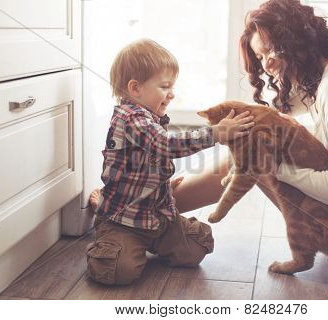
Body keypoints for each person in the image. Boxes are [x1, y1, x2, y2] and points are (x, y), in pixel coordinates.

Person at [174, 0, 328, 273]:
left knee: (253, 155)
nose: (266, 64)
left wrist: (277, 170)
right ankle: (165, 201)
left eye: (269, 50)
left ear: (295, 40)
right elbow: (273, 113)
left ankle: (157, 208)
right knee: (252, 142)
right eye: (259, 57)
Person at [86, 38, 255, 285]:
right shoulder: (131, 117)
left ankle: (140, 243)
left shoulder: (148, 116)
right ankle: (108, 230)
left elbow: (148, 163)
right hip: (124, 222)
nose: (172, 94)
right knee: (116, 271)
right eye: (165, 87)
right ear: (135, 88)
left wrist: (162, 188)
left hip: (157, 218)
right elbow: (164, 144)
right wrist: (216, 133)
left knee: (198, 247)